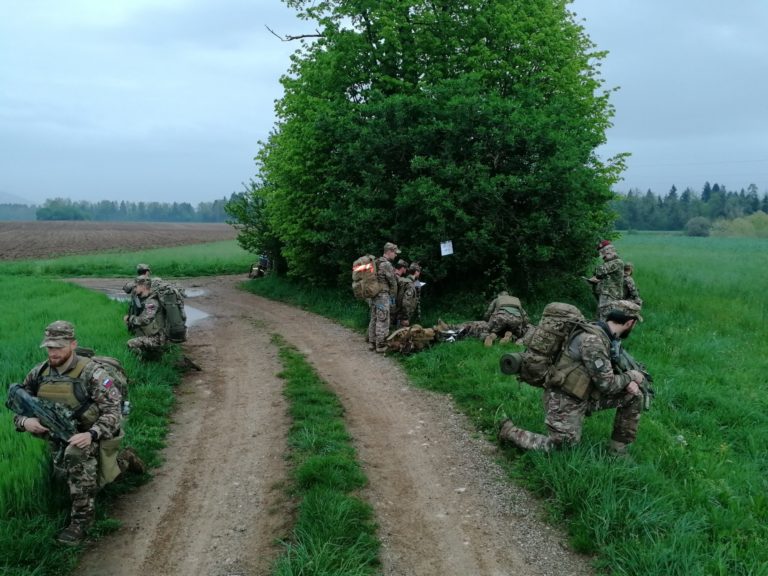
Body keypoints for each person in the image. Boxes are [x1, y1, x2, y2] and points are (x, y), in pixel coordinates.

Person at [11, 321, 144, 545]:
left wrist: (91, 434)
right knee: (82, 478)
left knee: (76, 457)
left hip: (94, 433)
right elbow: (19, 405)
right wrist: (25, 422)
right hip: (58, 436)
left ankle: (81, 522)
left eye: (59, 347)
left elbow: (114, 411)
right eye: (49, 347)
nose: (53, 353)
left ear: (73, 344)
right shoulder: (39, 373)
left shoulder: (93, 374)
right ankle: (125, 461)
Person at [498, 300, 646, 455]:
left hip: (584, 394)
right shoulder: (593, 341)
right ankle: (509, 432)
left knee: (633, 396)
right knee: (563, 448)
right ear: (630, 323)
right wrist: (632, 376)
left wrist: (628, 383)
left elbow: (605, 374)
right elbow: (607, 385)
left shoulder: (605, 335)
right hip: (564, 398)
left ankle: (618, 453)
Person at [124, 277, 167, 359]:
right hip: (156, 334)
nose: (135, 289)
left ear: (143, 286)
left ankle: (138, 364)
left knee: (131, 343)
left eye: (136, 286)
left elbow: (145, 320)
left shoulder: (152, 302)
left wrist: (129, 319)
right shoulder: (148, 298)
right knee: (155, 358)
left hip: (158, 338)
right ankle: (156, 356)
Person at [367, 242, 399, 353]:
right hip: (382, 295)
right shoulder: (386, 264)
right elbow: (393, 282)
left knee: (374, 318)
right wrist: (393, 298)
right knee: (383, 319)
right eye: (395, 252)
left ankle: (372, 342)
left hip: (374, 295)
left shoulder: (376, 262)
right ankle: (380, 345)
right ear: (389, 251)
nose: (396, 255)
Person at [587, 240, 625, 321]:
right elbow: (607, 278)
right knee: (600, 318)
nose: (603, 256)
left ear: (612, 250)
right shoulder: (610, 263)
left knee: (605, 320)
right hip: (606, 295)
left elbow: (600, 271)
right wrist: (597, 281)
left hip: (612, 296)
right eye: (602, 253)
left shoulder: (617, 262)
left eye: (606, 252)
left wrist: (597, 276)